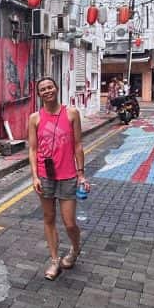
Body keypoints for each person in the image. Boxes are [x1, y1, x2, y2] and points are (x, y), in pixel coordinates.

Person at [27, 77, 90, 281]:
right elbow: (33, 149)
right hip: (45, 176)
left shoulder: (71, 114)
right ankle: (54, 260)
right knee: (49, 218)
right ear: (39, 94)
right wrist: (35, 176)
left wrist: (81, 174)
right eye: (43, 89)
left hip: (68, 175)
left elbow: (78, 145)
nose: (47, 91)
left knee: (70, 223)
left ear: (56, 88)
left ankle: (75, 249)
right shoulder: (35, 118)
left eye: (50, 87)